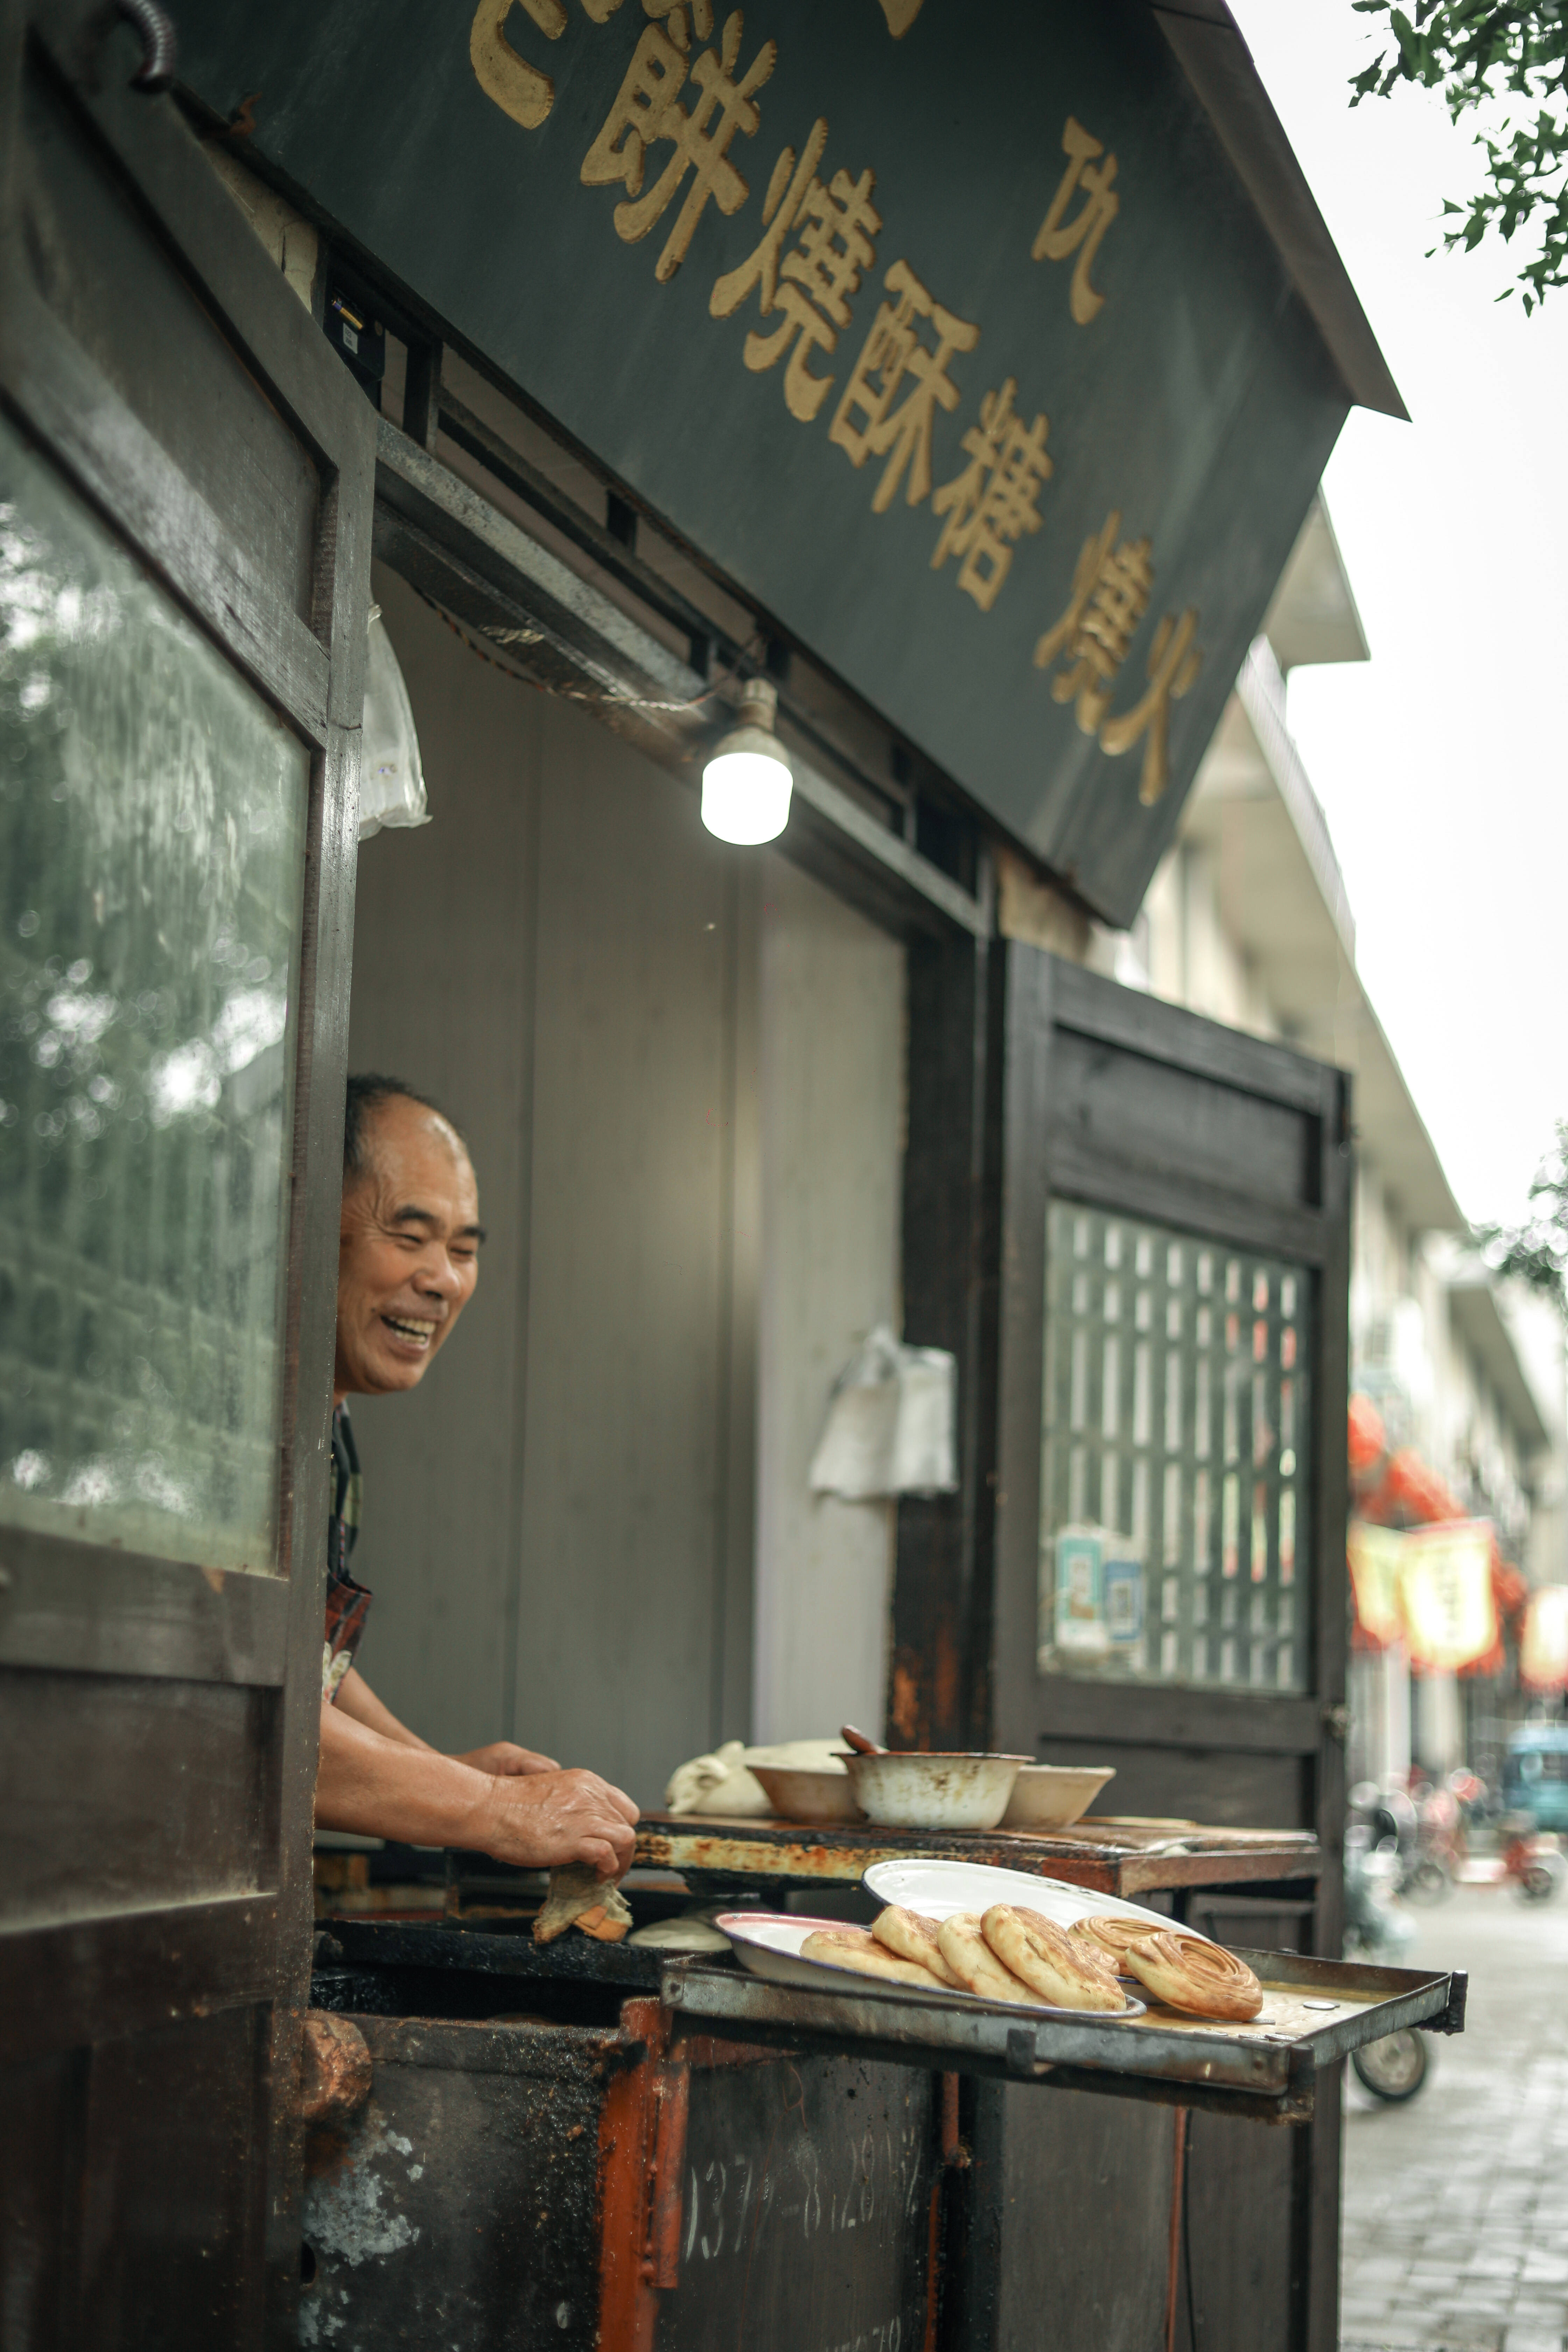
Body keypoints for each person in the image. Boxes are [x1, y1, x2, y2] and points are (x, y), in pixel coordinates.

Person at [314, 1074, 638, 1880]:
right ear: (308, 1219)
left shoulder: (328, 1420)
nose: (445, 1280)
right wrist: (485, 1809)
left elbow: (299, 1660)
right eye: (410, 1234)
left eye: (462, 1251)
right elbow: (241, 1710)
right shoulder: (226, 1422)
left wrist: (435, 1770)